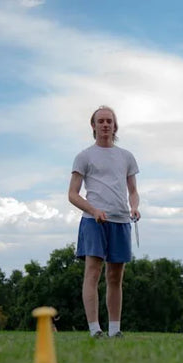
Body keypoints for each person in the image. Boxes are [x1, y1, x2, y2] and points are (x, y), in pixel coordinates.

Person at [68, 105, 140, 338]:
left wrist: (135, 207)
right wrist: (94, 210)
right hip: (93, 221)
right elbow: (73, 194)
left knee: (115, 277)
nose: (106, 125)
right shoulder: (84, 156)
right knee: (93, 272)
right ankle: (94, 329)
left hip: (121, 221)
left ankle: (114, 330)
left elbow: (133, 191)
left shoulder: (126, 156)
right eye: (101, 121)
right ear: (93, 126)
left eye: (109, 121)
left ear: (115, 125)